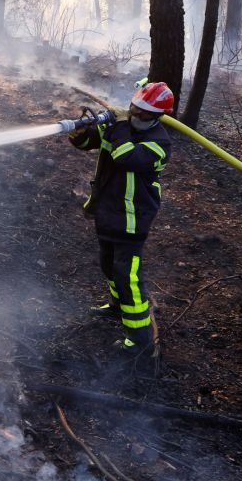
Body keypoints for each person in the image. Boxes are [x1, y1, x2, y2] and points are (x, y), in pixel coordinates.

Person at [67, 80, 173, 350]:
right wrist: (80, 133)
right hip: (108, 212)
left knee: (128, 277)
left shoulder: (159, 143)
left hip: (132, 219)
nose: (136, 115)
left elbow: (127, 157)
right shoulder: (119, 130)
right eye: (134, 109)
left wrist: (121, 124)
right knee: (109, 266)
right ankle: (117, 307)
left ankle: (140, 340)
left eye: (144, 113)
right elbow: (95, 142)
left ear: (158, 117)